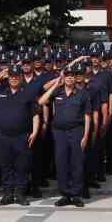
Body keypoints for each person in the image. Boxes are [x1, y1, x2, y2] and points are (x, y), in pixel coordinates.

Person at [0, 65, 41, 206]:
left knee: (21, 166)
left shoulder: (28, 93)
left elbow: (35, 114)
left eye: (16, 76)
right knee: (5, 166)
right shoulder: (1, 92)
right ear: (8, 78)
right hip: (3, 136)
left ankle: (20, 194)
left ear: (20, 77)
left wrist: (35, 131)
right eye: (11, 76)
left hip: (22, 136)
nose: (14, 78)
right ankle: (7, 194)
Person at [39, 62, 92, 207]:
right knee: (61, 163)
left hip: (76, 131)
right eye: (67, 76)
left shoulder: (82, 94)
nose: (69, 79)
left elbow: (87, 116)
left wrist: (86, 136)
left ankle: (75, 195)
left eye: (72, 76)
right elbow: (41, 101)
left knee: (76, 163)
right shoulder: (58, 92)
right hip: (59, 132)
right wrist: (56, 84)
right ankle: (65, 194)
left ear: (76, 78)